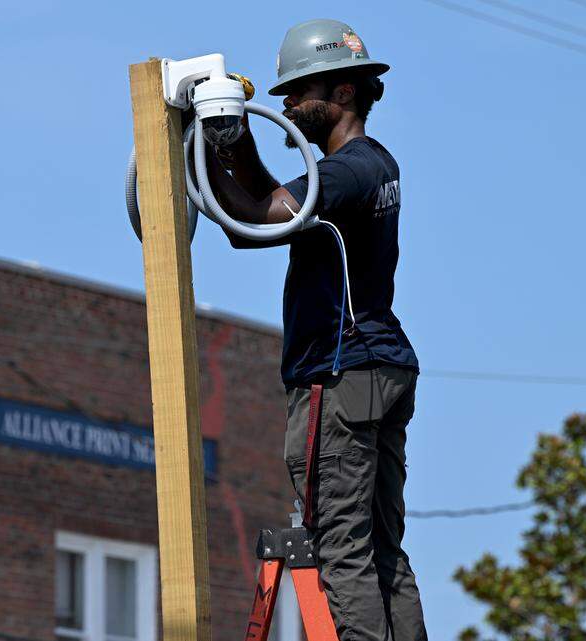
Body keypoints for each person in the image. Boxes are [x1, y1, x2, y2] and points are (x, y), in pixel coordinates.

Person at [201, 18, 428, 641]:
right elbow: (271, 200)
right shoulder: (372, 167)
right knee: (382, 549)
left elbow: (254, 223)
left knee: (340, 548)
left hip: (339, 372)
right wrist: (228, 143)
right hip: (379, 365)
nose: (288, 104)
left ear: (345, 93)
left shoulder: (351, 170)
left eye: (299, 92)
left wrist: (206, 145)